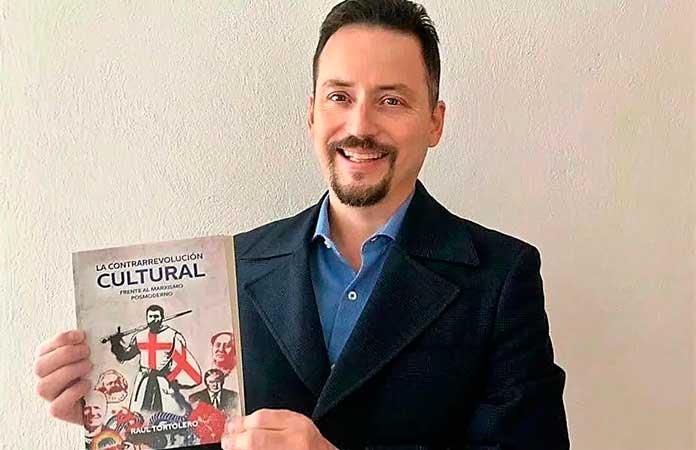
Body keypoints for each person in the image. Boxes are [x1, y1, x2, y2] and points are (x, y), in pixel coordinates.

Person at [33, 1, 569, 449]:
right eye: (340, 97)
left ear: (434, 121)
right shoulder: (231, 269)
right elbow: (202, 429)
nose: (360, 126)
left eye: (391, 100)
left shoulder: (502, 277)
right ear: (312, 114)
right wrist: (119, 421)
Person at [108, 304, 201, 415]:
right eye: (150, 316)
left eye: (156, 316)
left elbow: (182, 362)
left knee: (167, 415)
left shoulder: (172, 336)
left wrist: (172, 380)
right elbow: (126, 355)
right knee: (139, 415)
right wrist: (116, 343)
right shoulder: (140, 336)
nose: (153, 320)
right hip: (144, 382)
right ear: (147, 318)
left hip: (163, 381)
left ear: (162, 317)